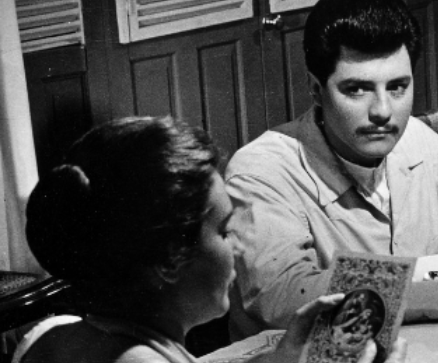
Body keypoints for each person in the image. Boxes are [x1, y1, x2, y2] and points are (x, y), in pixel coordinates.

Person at [226, 0, 438, 339]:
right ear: (317, 90)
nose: (383, 111)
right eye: (356, 89)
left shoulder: (416, 139)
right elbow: (285, 295)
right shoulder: (261, 168)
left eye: (397, 87)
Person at [18, 116, 407, 363]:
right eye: (223, 231)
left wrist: (282, 359)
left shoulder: (53, 334)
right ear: (170, 261)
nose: (237, 246)